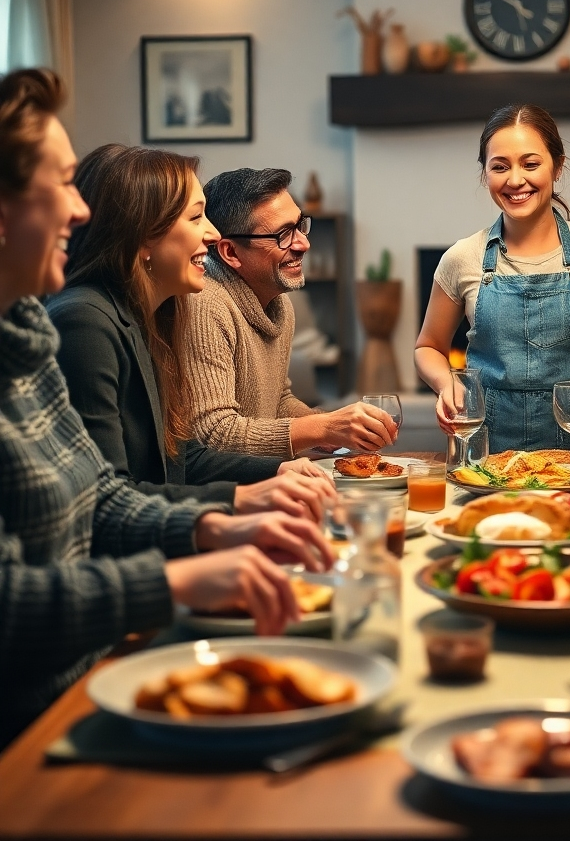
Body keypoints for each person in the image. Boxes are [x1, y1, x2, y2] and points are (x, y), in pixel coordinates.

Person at [0, 69, 332, 747]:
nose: (80, 208)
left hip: (85, 677)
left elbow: (104, 497)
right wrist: (181, 574)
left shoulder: (27, 332)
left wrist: (218, 525)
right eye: (62, 183)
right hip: (31, 720)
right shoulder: (81, 322)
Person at [46, 144, 335, 522]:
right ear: (144, 234)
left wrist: (276, 472)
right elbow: (106, 504)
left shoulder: (155, 314)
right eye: (196, 217)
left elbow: (180, 459)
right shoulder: (84, 324)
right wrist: (239, 505)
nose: (212, 234)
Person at [414, 104, 570, 452]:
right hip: (484, 455)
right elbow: (428, 347)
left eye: (531, 163)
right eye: (500, 167)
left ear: (558, 167)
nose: (515, 179)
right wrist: (445, 383)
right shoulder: (462, 258)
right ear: (485, 175)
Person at [179, 167, 397, 457]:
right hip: (223, 494)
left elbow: (277, 401)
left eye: (299, 225)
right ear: (230, 253)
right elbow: (215, 434)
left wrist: (330, 428)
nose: (303, 244)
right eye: (283, 235)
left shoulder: (279, 303)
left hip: (267, 479)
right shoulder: (205, 304)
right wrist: (324, 426)